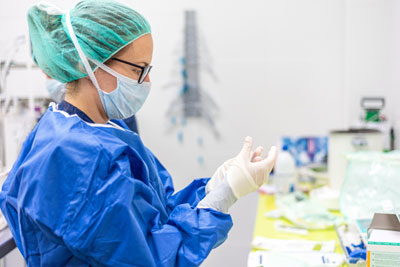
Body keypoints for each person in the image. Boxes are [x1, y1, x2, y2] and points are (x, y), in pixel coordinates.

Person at [0, 1, 277, 266]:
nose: (146, 81)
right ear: (94, 63)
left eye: (149, 70)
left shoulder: (105, 130)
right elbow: (150, 258)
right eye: (139, 69)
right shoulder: (77, 155)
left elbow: (154, 213)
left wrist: (211, 189)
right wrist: (222, 199)